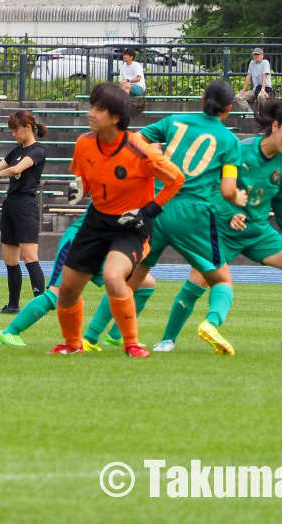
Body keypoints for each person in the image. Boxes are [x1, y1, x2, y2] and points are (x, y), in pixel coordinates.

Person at [165, 100, 282, 350]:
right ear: (275, 126)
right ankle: (167, 340)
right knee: (195, 284)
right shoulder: (239, 150)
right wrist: (230, 212)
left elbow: (279, 201)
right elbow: (212, 187)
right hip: (221, 231)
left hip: (259, 232)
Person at [48, 84, 184, 357]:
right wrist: (80, 189)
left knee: (112, 276)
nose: (91, 113)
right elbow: (86, 176)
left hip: (131, 225)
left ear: (115, 118)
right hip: (96, 221)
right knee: (67, 290)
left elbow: (176, 179)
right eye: (91, 106)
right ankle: (72, 345)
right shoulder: (84, 143)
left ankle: (131, 343)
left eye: (99, 109)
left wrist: (148, 211)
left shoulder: (140, 149)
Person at [119, 79, 244, 355]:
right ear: (229, 109)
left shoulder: (175, 121)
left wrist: (154, 159)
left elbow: (134, 141)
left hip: (159, 206)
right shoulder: (230, 141)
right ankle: (211, 323)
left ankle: (103, 335)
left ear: (202, 100)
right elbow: (227, 190)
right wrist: (237, 200)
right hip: (194, 214)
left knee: (133, 277)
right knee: (221, 280)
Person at [0, 198, 159, 348]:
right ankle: (9, 333)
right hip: (80, 240)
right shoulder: (122, 182)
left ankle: (113, 336)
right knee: (57, 293)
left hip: (104, 243)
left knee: (142, 283)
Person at [0, 110, 47, 314]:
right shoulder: (16, 151)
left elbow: (16, 170)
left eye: (16, 129)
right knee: (10, 259)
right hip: (11, 204)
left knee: (30, 258)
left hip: (26, 205)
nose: (13, 134)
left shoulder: (37, 151)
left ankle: (39, 305)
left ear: (27, 127)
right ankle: (13, 305)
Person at [236, 46, 274, 111]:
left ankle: (262, 113)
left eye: (258, 54)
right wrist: (243, 90)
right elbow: (248, 76)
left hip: (266, 89)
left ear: (262, 55)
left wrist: (263, 89)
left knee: (261, 96)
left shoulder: (265, 62)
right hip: (255, 90)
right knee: (238, 96)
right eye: (255, 55)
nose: (256, 56)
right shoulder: (252, 63)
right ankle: (250, 112)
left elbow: (265, 75)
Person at [118, 48, 146, 114]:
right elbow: (121, 82)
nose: (124, 56)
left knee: (126, 87)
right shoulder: (122, 67)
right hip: (127, 88)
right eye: (124, 55)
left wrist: (127, 80)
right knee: (126, 90)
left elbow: (138, 78)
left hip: (139, 88)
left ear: (131, 57)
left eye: (126, 55)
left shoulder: (136, 65)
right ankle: (125, 107)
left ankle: (122, 106)